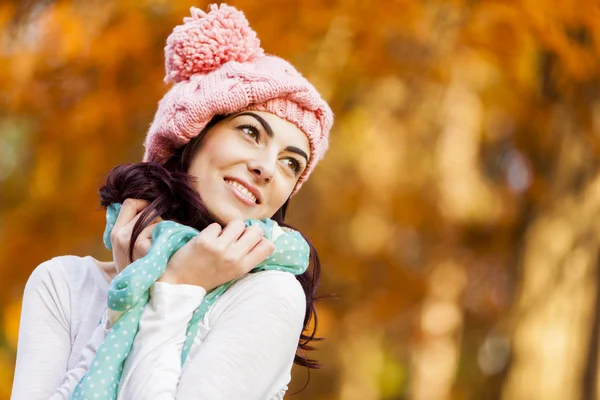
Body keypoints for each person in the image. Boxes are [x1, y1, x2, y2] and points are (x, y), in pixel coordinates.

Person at [10, 3, 333, 399]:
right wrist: (129, 296)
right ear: (192, 136)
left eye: (290, 163)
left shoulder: (270, 294)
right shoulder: (63, 284)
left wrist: (176, 288)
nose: (267, 167)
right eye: (251, 132)